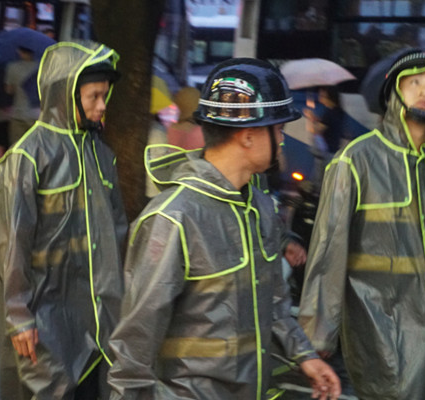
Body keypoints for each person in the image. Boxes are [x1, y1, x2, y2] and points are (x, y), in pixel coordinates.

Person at [108, 58, 341, 400]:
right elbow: (134, 349)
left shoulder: (259, 205)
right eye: (277, 129)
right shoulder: (174, 218)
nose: (281, 139)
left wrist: (304, 356)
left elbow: (274, 302)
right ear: (248, 136)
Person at [298, 49, 425, 399]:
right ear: (395, 93)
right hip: (375, 323)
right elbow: (328, 251)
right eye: (414, 83)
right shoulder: (355, 161)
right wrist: (317, 335)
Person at [0, 41, 127, 400]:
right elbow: (13, 245)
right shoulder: (27, 159)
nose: (101, 106)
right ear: (64, 94)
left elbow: (117, 234)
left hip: (100, 319)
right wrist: (19, 317)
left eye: (105, 96)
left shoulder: (100, 154)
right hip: (47, 321)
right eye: (93, 96)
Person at [4, 46, 41, 146]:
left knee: (17, 147)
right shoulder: (42, 66)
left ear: (21, 52)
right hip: (37, 115)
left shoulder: (13, 67)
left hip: (19, 114)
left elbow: (9, 90)